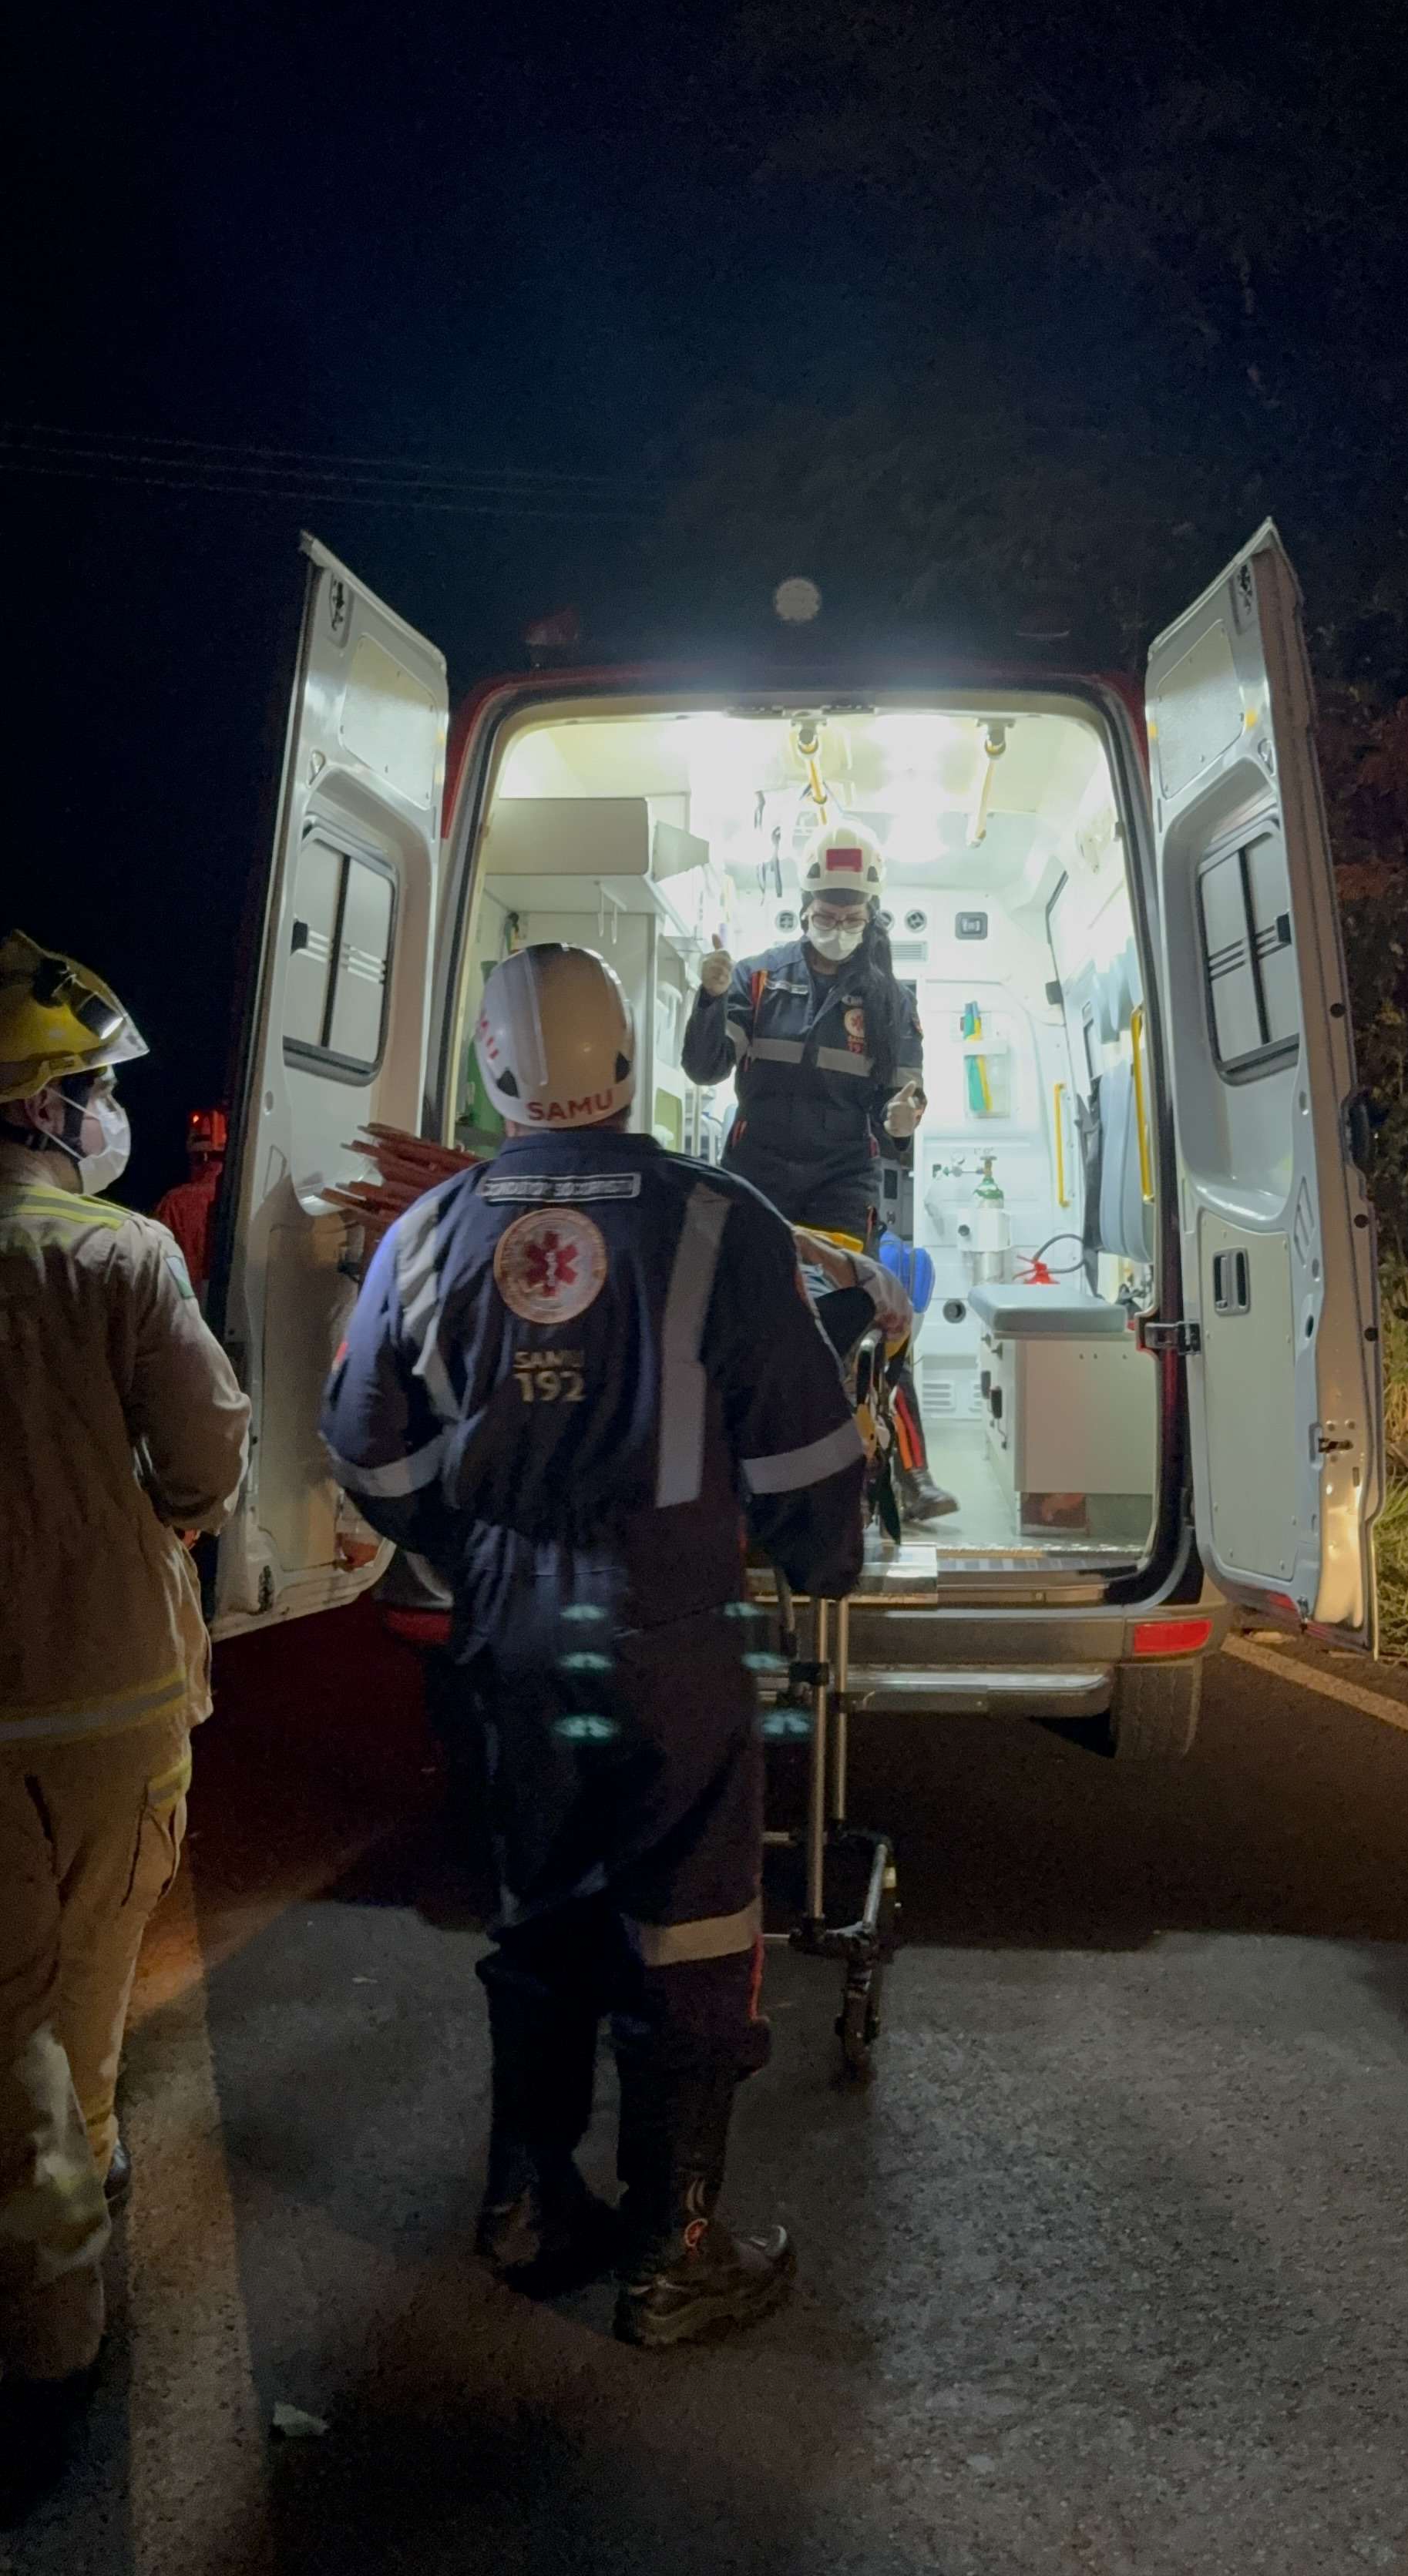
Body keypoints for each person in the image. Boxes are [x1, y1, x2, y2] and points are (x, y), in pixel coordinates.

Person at [321, 943, 868, 2349]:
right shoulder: (721, 1219)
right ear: (626, 1059)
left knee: (540, 1910)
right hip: (671, 1625)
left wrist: (464, 1546)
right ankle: (675, 2254)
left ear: (493, 1073)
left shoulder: (428, 1229)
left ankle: (526, 2204)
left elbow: (366, 1450)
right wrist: (823, 1562)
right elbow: (806, 1453)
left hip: (510, 1626)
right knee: (694, 1925)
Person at [0, 931, 249, 2522]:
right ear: (40, 1105)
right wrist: (146, 1513)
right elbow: (208, 1455)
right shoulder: (120, 1257)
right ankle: (49, 2361)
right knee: (69, 2028)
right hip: (105, 1704)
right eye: (91, 1086)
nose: (107, 1111)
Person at [681, 817, 959, 1523]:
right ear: (805, 906)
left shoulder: (891, 1001)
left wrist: (904, 1116)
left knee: (858, 1315)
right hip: (755, 1176)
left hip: (840, 1184)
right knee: (741, 1317)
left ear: (871, 915)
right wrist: (709, 999)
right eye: (827, 913)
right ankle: (730, 1469)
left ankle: (906, 1472)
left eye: (851, 916)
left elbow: (903, 1098)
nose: (838, 926)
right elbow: (705, 1068)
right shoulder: (758, 977)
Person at [153, 1103, 227, 1303]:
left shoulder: (177, 1202)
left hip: (185, 1304)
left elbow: (160, 1265)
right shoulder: (247, 1198)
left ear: (200, 1156)